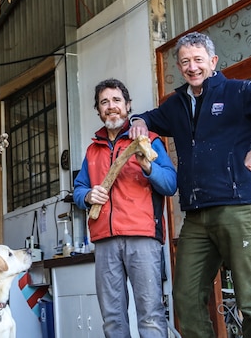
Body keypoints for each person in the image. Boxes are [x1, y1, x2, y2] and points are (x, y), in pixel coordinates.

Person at [128, 31, 251, 338]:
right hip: (196, 216)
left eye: (198, 60)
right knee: (186, 297)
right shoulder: (176, 105)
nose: (192, 67)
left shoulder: (238, 92)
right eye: (185, 61)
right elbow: (149, 116)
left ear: (213, 61)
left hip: (238, 208)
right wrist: (138, 120)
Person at [73, 78, 178, 338]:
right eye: (104, 102)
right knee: (111, 319)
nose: (111, 106)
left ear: (128, 106)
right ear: (98, 110)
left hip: (142, 237)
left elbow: (170, 184)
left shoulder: (150, 140)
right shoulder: (92, 150)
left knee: (151, 315)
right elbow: (77, 190)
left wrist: (148, 167)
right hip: (105, 241)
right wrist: (87, 196)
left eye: (116, 100)